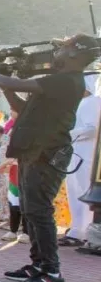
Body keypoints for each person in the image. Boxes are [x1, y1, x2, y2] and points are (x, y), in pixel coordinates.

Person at [0, 34, 100, 282]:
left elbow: (14, 80)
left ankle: (51, 271)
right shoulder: (56, 83)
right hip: (33, 151)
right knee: (30, 209)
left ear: (74, 54)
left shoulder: (66, 81)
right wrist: (4, 86)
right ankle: (38, 264)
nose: (56, 51)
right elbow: (22, 108)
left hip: (45, 153)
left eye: (64, 47)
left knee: (40, 211)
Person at [63, 74, 99, 246]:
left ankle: (85, 232)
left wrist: (69, 132)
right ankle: (76, 229)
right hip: (76, 153)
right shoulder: (81, 103)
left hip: (86, 155)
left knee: (84, 192)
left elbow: (92, 130)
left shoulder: (93, 102)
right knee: (74, 192)